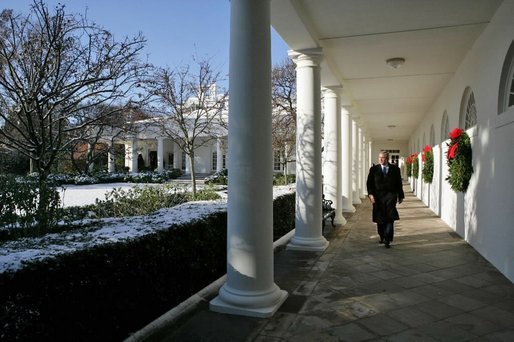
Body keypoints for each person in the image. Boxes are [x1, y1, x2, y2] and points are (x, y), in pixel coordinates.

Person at [366, 151, 404, 248]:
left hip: (391, 196)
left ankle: (387, 239)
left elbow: (399, 183)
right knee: (380, 218)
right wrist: (370, 195)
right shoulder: (374, 169)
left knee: (390, 217)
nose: (381, 159)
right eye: (379, 157)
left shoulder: (395, 169)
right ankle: (382, 236)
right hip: (378, 197)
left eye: (383, 158)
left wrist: (401, 195)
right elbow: (369, 183)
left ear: (387, 158)